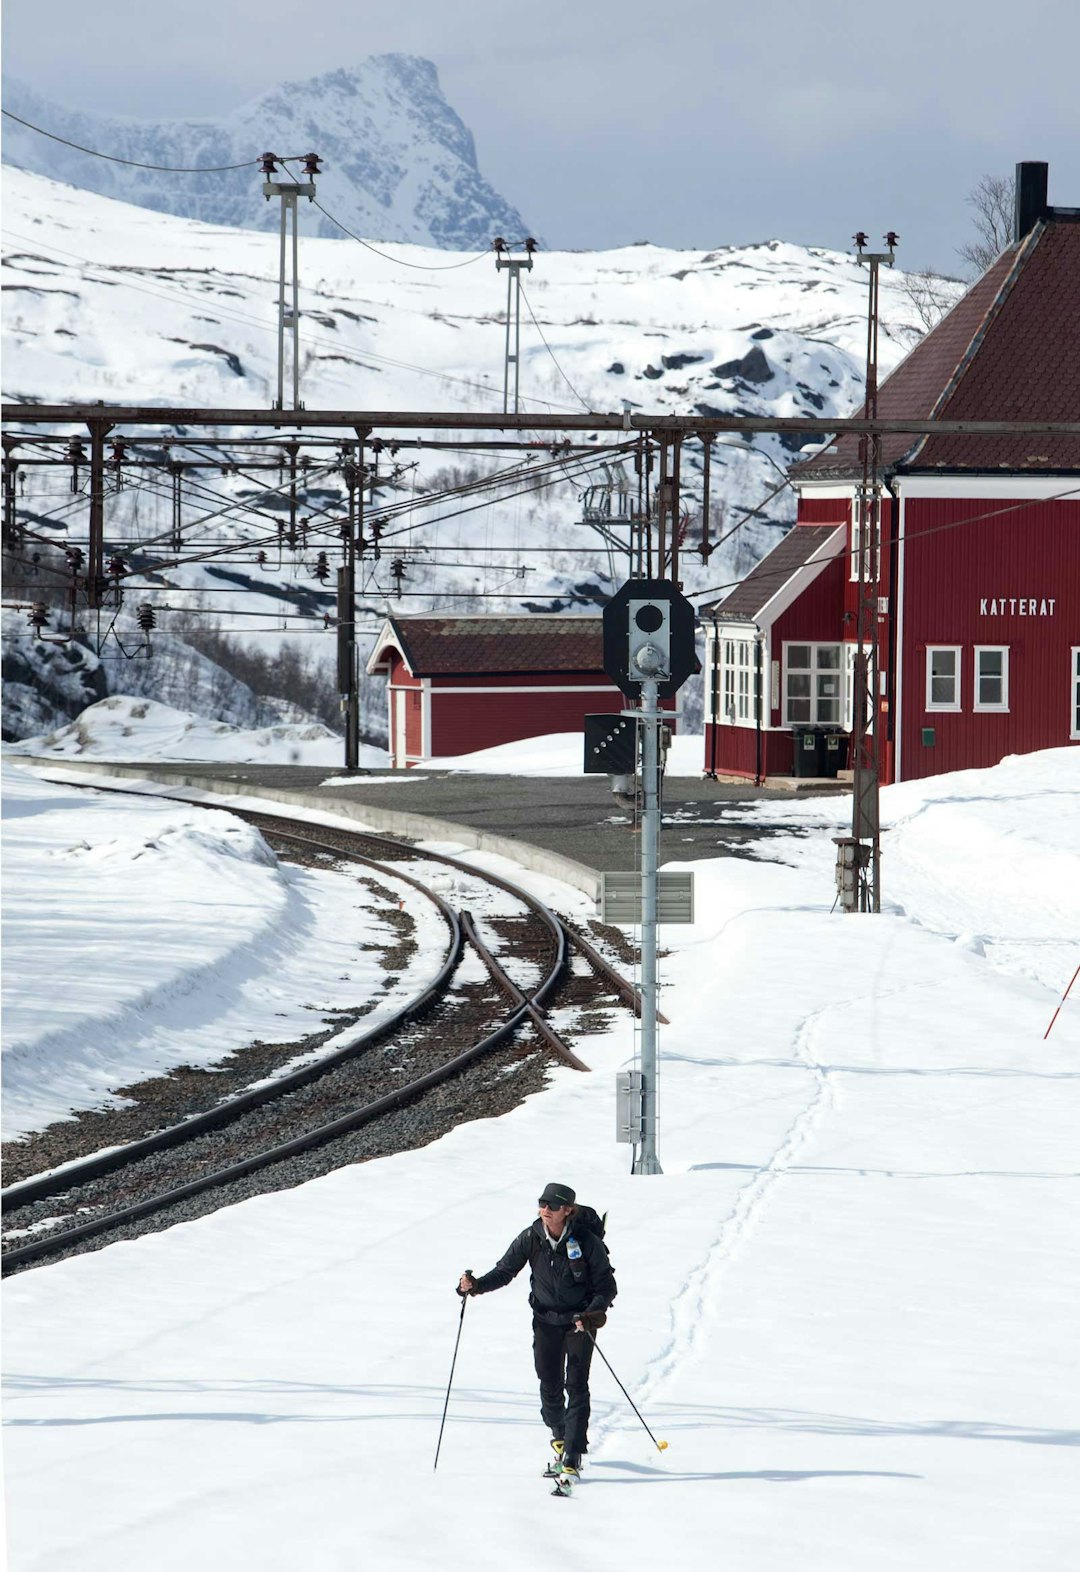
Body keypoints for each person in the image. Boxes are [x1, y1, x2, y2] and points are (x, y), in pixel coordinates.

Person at [457, 1181, 616, 1479]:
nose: (545, 1210)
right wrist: (475, 1286)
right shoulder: (532, 1237)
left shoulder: (586, 1241)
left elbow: (607, 1286)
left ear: (567, 1210)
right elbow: (505, 1271)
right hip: (545, 1320)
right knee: (549, 1384)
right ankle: (559, 1437)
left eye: (552, 1206)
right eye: (541, 1203)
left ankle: (573, 1453)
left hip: (579, 1323)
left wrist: (590, 1315)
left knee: (577, 1385)